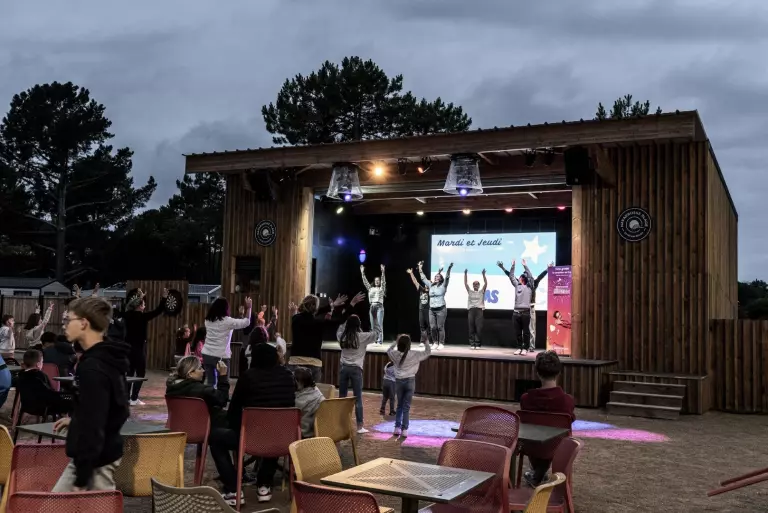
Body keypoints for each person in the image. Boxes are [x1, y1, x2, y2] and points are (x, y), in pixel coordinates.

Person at [52, 297, 130, 492]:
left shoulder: (93, 367)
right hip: (99, 455)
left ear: (84, 323)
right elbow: (114, 407)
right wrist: (79, 419)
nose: (64, 325)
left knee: (55, 505)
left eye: (68, 320)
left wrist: (82, 477)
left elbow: (95, 424)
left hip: (95, 461)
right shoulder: (107, 358)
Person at [208, 343, 295, 507]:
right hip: (283, 436)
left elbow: (233, 410)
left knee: (215, 439)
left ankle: (233, 488)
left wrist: (235, 428)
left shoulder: (248, 377)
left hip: (252, 436)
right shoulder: (288, 376)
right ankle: (264, 485)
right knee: (273, 431)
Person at [520, 350, 575, 487]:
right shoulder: (567, 401)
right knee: (555, 437)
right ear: (559, 372)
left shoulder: (526, 399)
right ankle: (539, 474)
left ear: (537, 373)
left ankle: (538, 474)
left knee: (539, 435)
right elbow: (569, 420)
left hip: (531, 446)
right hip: (557, 447)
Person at [289, 293, 363, 383]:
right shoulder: (320, 323)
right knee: (313, 391)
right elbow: (341, 319)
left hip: (295, 362)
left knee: (294, 390)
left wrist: (331, 305)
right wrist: (351, 304)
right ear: (315, 308)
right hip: (313, 362)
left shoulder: (295, 319)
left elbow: (309, 313)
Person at [124, 288, 167, 405]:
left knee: (129, 373)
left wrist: (140, 297)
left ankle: (127, 398)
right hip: (138, 349)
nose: (145, 306)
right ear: (140, 306)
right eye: (143, 304)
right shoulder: (143, 317)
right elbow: (158, 310)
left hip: (127, 349)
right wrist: (164, 298)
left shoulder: (127, 315)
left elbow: (131, 306)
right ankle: (134, 398)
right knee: (140, 373)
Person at [337, 314, 377, 433]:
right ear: (358, 325)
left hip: (344, 368)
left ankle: (340, 424)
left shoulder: (342, 336)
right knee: (358, 398)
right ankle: (359, 426)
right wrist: (375, 320)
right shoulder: (362, 337)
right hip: (356, 369)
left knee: (342, 397)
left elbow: (339, 328)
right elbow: (376, 333)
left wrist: (345, 321)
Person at [387, 334, 431, 438]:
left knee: (400, 405)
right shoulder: (415, 354)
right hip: (410, 381)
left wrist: (395, 342)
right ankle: (404, 430)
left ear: (399, 344)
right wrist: (426, 342)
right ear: (409, 344)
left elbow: (388, 350)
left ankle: (397, 428)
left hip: (399, 381)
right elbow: (427, 352)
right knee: (406, 406)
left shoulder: (395, 354)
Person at [166, 355, 229, 427]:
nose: (203, 370)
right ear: (190, 373)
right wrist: (223, 376)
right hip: (202, 428)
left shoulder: (171, 389)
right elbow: (222, 399)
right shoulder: (203, 390)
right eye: (200, 368)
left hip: (180, 427)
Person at [202, 297, 252, 389]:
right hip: (221, 356)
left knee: (210, 382)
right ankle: (221, 398)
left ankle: (209, 397)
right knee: (223, 383)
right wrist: (249, 308)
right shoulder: (228, 321)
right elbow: (246, 322)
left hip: (207, 354)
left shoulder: (208, 320)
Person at [15, 349, 74, 417]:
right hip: (43, 407)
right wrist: (65, 396)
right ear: (38, 364)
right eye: (42, 362)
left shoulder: (21, 375)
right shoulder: (40, 375)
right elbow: (48, 394)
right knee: (71, 402)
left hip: (27, 406)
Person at [498, 259, 534, 355]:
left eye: (519, 277)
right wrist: (513, 265)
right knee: (517, 332)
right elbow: (511, 276)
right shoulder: (517, 286)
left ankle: (525, 348)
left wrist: (525, 265)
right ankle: (519, 347)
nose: (518, 278)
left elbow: (530, 276)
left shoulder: (529, 287)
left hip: (525, 313)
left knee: (526, 332)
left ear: (522, 279)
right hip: (516, 313)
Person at [418, 260, 453, 350]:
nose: (436, 277)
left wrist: (449, 269)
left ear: (441, 278)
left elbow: (447, 277)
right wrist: (420, 269)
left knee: (440, 327)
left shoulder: (443, 286)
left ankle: (441, 343)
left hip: (441, 309)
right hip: (432, 309)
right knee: (433, 327)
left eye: (438, 276)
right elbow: (423, 278)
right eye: (435, 276)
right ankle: (434, 342)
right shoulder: (431, 285)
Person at [294, 366, 325, 438]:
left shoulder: (301, 399)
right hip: (318, 432)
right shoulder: (316, 391)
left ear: (301, 382)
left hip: (304, 433)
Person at [528, 262, 553, 350]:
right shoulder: (522, 285)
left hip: (531, 307)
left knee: (532, 328)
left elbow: (540, 277)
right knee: (523, 329)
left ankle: (531, 346)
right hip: (523, 309)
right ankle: (523, 346)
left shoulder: (534, 284)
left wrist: (547, 269)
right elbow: (512, 278)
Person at [360, 264, 386, 345]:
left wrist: (383, 272)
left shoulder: (382, 288)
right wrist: (362, 273)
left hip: (379, 306)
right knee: (373, 325)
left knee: (379, 324)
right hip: (372, 306)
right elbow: (365, 282)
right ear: (374, 282)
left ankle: (379, 341)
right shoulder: (370, 288)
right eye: (376, 280)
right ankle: (374, 340)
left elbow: (383, 281)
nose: (377, 281)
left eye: (378, 280)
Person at [406, 267, 432, 348]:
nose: (427, 284)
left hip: (428, 310)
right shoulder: (421, 289)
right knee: (422, 326)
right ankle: (422, 341)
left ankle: (429, 341)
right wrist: (411, 273)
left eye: (429, 283)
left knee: (429, 326)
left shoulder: (432, 292)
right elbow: (415, 282)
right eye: (426, 283)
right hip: (421, 310)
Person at [464, 268, 487, 350]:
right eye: (474, 284)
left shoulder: (481, 292)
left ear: (479, 285)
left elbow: (486, 283)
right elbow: (465, 283)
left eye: (477, 284)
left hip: (479, 311)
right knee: (471, 328)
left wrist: (483, 275)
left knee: (479, 328)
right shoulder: (470, 291)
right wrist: (465, 274)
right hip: (471, 310)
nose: (475, 285)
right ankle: (472, 343)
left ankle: (478, 344)